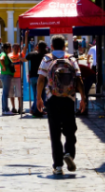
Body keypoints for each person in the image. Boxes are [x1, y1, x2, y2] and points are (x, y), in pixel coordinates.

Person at [36, 36, 87, 176]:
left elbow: (41, 79)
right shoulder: (71, 59)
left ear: (51, 46)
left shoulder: (47, 59)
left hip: (52, 99)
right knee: (70, 130)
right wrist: (82, 98)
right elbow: (79, 79)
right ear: (64, 46)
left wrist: (38, 98)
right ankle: (69, 153)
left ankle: (58, 165)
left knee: (55, 133)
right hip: (69, 99)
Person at [26, 41, 48, 117]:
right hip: (42, 77)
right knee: (40, 95)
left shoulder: (32, 54)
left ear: (37, 47)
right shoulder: (46, 55)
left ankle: (33, 109)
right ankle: (37, 111)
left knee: (37, 95)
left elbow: (24, 59)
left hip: (33, 77)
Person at [0, 42, 15, 116]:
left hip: (6, 75)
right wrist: (4, 67)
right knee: (5, 93)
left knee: (5, 93)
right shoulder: (3, 54)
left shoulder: (3, 54)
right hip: (6, 75)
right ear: (6, 48)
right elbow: (1, 59)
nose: (11, 49)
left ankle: (5, 109)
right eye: (10, 48)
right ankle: (5, 109)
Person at [9, 43, 25, 114]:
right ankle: (13, 107)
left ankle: (20, 108)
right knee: (11, 93)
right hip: (11, 77)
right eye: (14, 48)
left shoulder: (20, 55)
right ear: (12, 48)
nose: (16, 49)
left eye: (17, 48)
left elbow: (25, 48)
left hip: (18, 77)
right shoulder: (9, 56)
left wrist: (26, 38)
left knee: (19, 94)